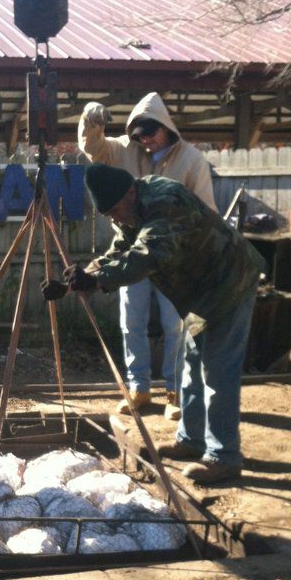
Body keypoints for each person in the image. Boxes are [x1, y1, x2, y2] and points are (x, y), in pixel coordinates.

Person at [42, 163, 263, 486]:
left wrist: (97, 279)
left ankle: (223, 457)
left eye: (116, 211)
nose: (116, 219)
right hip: (202, 290)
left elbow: (148, 255)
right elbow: (122, 249)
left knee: (218, 370)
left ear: (130, 192)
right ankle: (191, 440)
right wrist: (80, 280)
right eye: (109, 216)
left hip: (229, 281)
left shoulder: (165, 201)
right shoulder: (132, 208)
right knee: (190, 365)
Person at [78, 94, 216, 419]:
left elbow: (207, 210)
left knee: (176, 326)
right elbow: (93, 148)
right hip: (132, 252)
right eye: (139, 136)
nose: (145, 142)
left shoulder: (192, 160)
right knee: (132, 323)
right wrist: (90, 119)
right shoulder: (125, 150)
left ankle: (175, 392)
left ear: (166, 128)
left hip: (174, 258)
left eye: (150, 135)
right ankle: (138, 388)